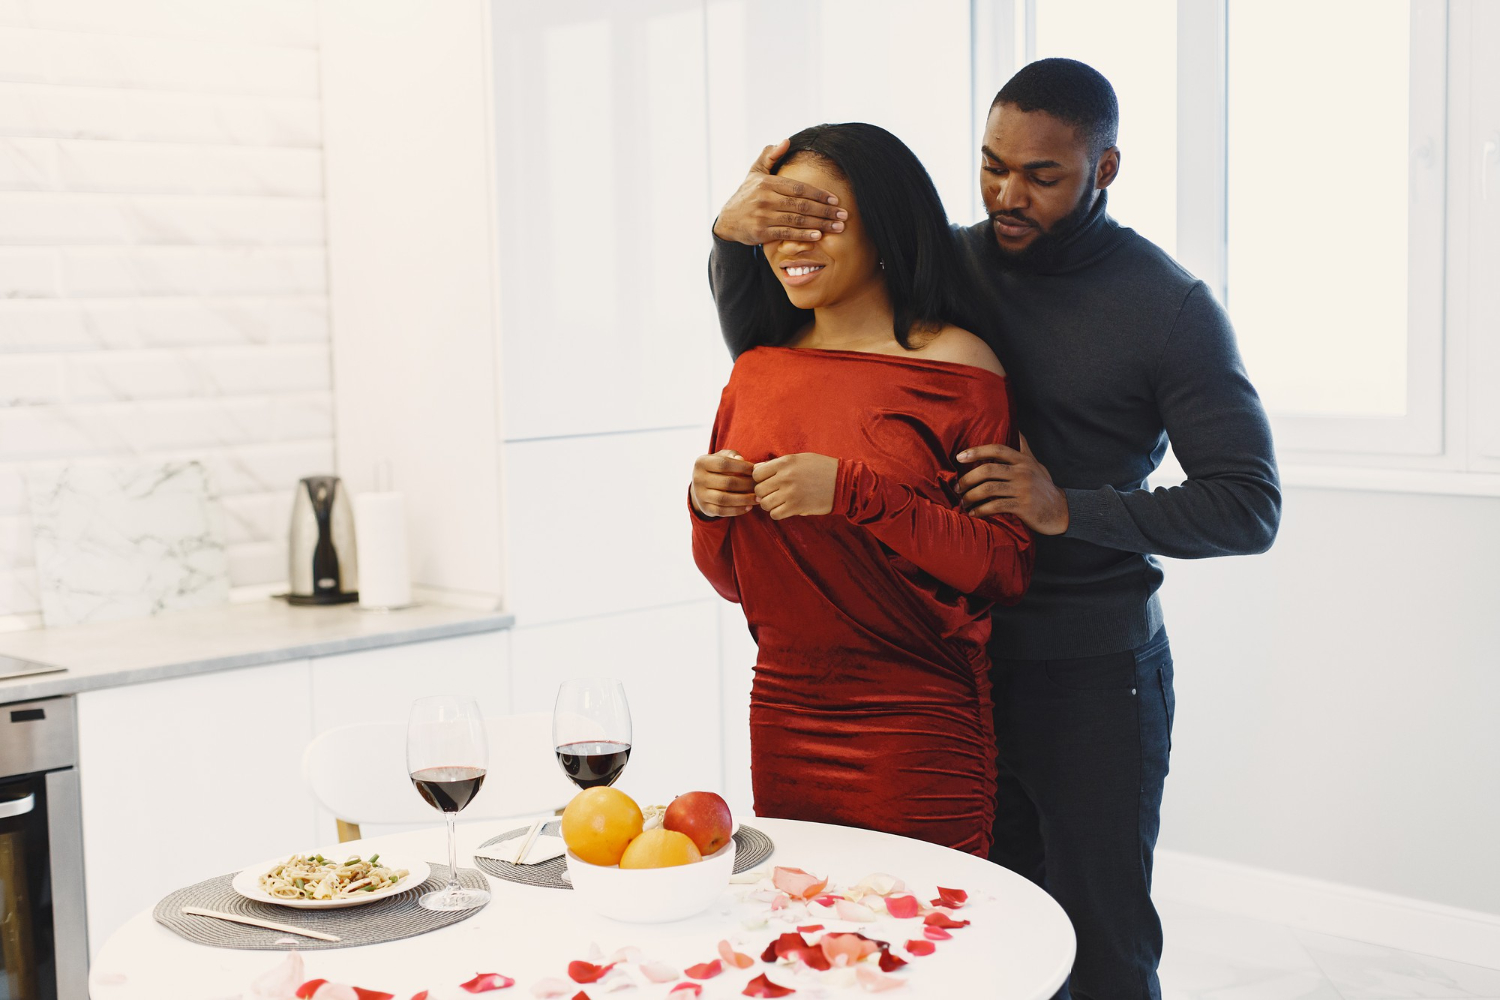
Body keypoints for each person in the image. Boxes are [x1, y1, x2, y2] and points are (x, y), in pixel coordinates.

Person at [706, 60, 1281, 1000]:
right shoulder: (948, 263)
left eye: (1042, 176)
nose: (1007, 195)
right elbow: (782, 356)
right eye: (990, 165)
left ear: (1105, 169)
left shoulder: (1168, 307)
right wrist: (733, 237)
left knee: (1099, 941)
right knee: (974, 935)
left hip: (1087, 675)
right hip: (941, 671)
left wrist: (1066, 508)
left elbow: (1247, 504)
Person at [688, 122, 1035, 857]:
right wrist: (707, 507)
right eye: (779, 222)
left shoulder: (960, 368)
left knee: (927, 950)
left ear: (885, 224)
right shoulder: (757, 369)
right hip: (784, 712)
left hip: (917, 722)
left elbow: (1005, 567)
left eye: (818, 218)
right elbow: (729, 581)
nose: (792, 242)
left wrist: (854, 493)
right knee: (808, 948)